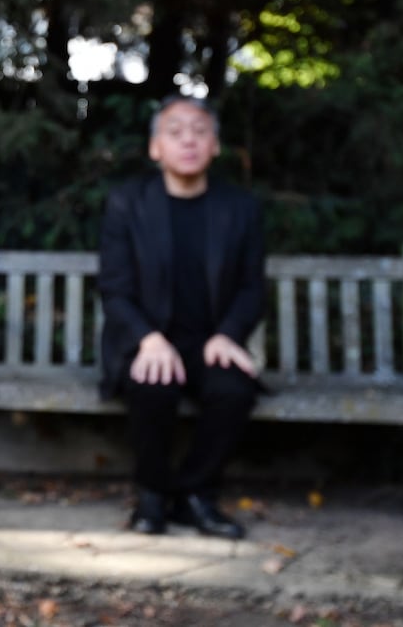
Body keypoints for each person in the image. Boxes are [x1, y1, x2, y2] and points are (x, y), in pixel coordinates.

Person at [98, 95, 265, 540]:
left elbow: (252, 286)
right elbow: (114, 289)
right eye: (175, 131)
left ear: (215, 146)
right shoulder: (127, 203)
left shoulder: (241, 208)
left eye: (199, 131)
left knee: (233, 389)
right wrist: (146, 339)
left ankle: (196, 496)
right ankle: (152, 496)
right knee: (154, 384)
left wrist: (229, 334)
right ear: (156, 148)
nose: (188, 140)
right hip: (147, 339)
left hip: (210, 340)